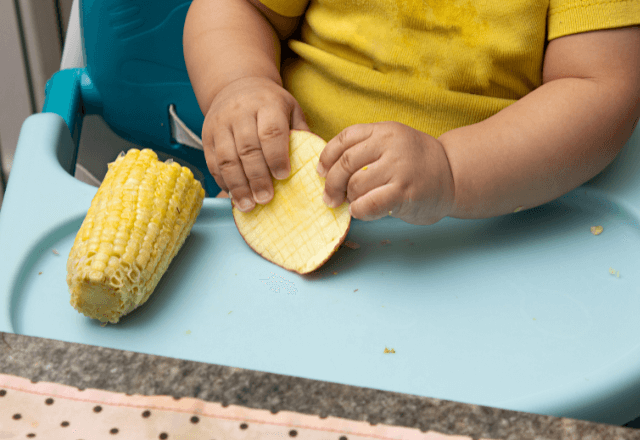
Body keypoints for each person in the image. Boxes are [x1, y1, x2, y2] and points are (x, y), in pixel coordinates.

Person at [183, 0, 640, 225]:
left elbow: (600, 88)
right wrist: (240, 83)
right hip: (288, 199)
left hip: (485, 226)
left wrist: (453, 170)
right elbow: (239, 8)